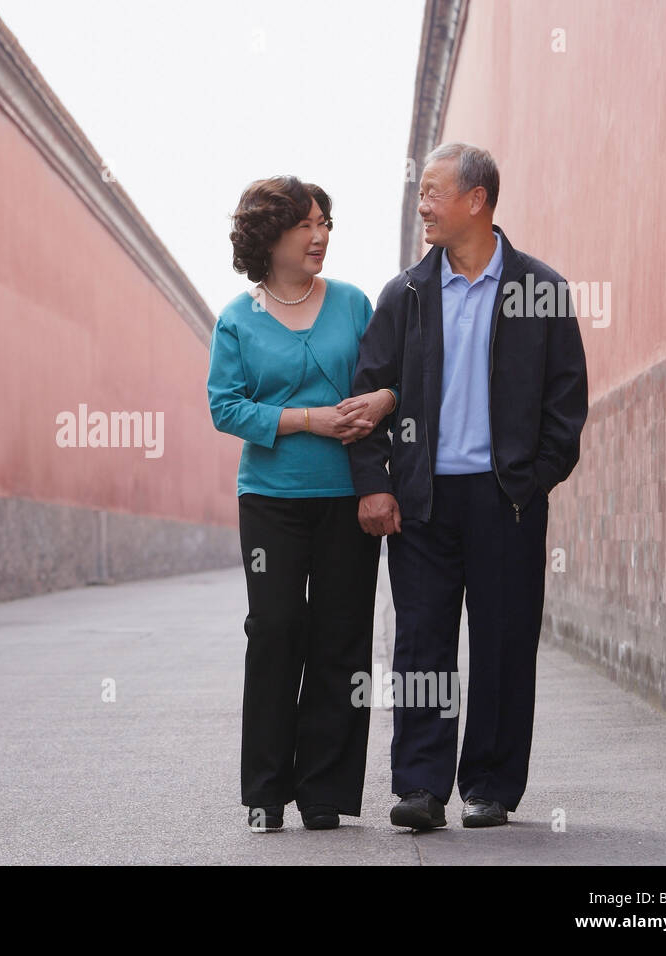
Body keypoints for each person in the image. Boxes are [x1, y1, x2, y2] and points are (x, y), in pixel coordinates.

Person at [347, 142, 588, 829]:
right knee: (422, 643)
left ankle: (490, 786)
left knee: (505, 642)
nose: (422, 203)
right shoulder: (407, 294)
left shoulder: (540, 289)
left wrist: (530, 481)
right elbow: (366, 398)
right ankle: (421, 785)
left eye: (432, 191)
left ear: (475, 200)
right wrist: (376, 484)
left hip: (506, 499)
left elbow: (566, 406)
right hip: (422, 500)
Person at [207, 175, 399, 832]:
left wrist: (383, 401)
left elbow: (388, 380)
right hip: (271, 500)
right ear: (271, 238)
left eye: (325, 223)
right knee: (276, 631)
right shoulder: (238, 318)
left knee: (341, 639)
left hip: (348, 497)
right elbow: (224, 406)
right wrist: (308, 421)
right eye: (305, 226)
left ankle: (325, 793)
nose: (319, 236)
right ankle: (265, 789)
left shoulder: (351, 303)